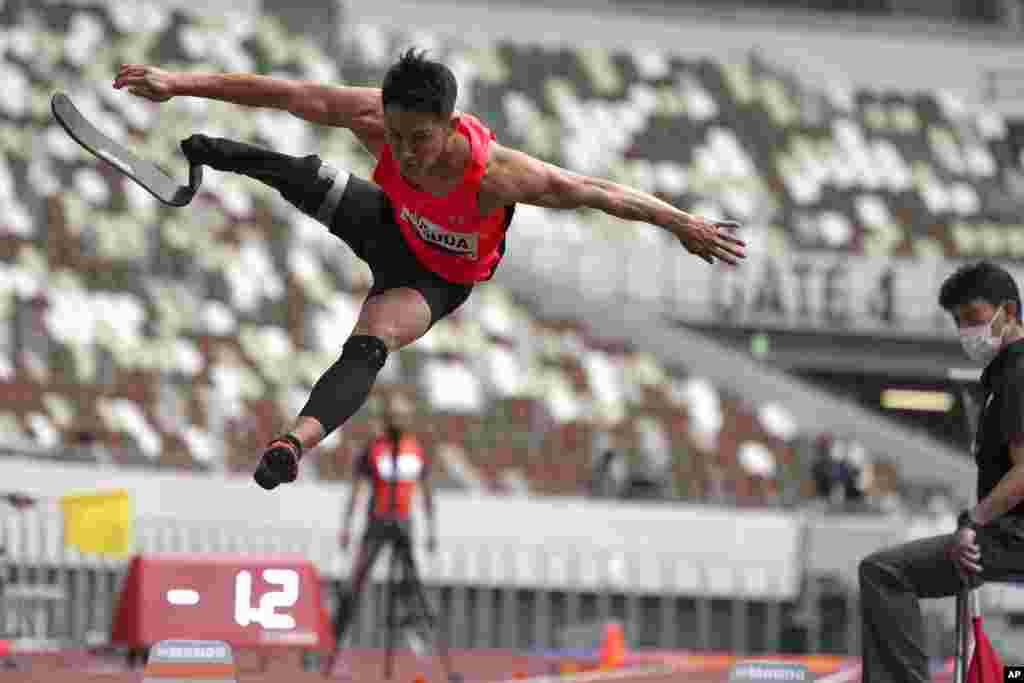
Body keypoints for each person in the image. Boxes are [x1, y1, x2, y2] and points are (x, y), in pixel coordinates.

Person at [112, 49, 747, 489]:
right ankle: (209, 154)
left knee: (373, 339)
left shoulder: (497, 173)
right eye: (397, 135)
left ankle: (292, 443)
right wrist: (177, 82)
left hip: (434, 280)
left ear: (449, 126)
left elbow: (594, 190)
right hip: (390, 222)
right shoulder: (373, 121)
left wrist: (681, 223)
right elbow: (284, 93)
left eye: (421, 139)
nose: (407, 152)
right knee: (302, 173)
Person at [859, 261, 1024, 683]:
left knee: (884, 573)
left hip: (1015, 534)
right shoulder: (1001, 378)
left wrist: (975, 521)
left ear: (1008, 311)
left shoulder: (1018, 375)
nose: (967, 331)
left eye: (973, 318)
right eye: (958, 323)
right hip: (1009, 532)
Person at [332, 398, 435, 646]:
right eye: (394, 416)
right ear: (387, 419)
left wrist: (431, 529)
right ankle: (336, 635)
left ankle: (418, 635)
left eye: (403, 416)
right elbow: (356, 491)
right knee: (356, 579)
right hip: (377, 522)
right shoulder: (373, 449)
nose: (398, 420)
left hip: (404, 522)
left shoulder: (416, 450)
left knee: (412, 580)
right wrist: (347, 526)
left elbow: (427, 492)